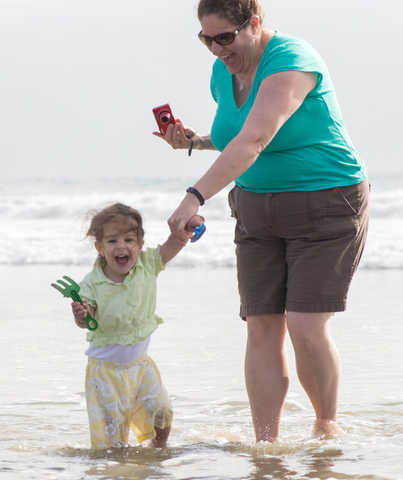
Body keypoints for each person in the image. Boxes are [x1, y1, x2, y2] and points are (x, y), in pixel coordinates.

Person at [155, 0, 369, 442]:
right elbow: (237, 136)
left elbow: (257, 138)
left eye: (225, 38)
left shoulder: (292, 60)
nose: (216, 49)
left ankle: (325, 427)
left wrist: (194, 196)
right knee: (261, 326)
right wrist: (194, 140)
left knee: (306, 325)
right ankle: (265, 444)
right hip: (255, 207)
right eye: (206, 39)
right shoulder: (224, 71)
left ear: (253, 23)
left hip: (325, 202)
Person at [69, 203, 203, 449]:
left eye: (129, 239)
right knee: (112, 438)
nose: (121, 246)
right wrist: (81, 313)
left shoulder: (148, 264)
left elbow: (175, 243)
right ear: (99, 248)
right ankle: (113, 474)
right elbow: (86, 318)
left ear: (141, 244)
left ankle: (158, 449)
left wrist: (187, 229)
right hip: (105, 373)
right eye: (112, 241)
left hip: (141, 366)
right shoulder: (91, 283)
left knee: (161, 410)